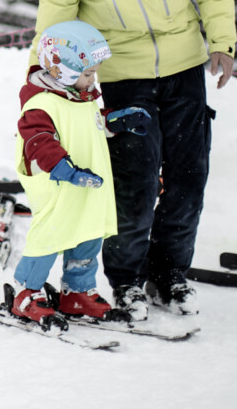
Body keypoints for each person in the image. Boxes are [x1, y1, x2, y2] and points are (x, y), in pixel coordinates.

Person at [35, 0, 237, 319]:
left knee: (187, 178)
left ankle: (169, 273)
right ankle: (126, 279)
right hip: (122, 76)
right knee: (135, 183)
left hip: (184, 68)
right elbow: (52, 30)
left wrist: (221, 41)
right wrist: (39, 83)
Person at [9, 21, 150, 325]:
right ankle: (26, 291)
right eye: (87, 73)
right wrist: (64, 169)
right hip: (59, 186)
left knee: (87, 235)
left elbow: (92, 126)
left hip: (88, 185)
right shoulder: (41, 104)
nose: (93, 78)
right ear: (64, 71)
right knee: (50, 237)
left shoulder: (81, 97)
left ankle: (77, 290)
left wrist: (118, 121)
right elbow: (38, 141)